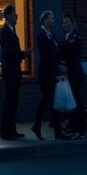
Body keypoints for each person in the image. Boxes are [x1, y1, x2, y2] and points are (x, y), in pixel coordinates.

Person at [31, 10, 68, 140]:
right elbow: (46, 56)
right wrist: (58, 65)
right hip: (46, 75)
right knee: (48, 101)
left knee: (51, 102)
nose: (54, 20)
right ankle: (42, 127)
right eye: (52, 18)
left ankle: (53, 130)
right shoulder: (41, 36)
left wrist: (61, 62)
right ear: (45, 20)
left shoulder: (51, 35)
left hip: (52, 74)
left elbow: (55, 52)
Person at [0, 5, 30, 140]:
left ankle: (12, 129)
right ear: (9, 16)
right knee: (10, 101)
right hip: (11, 72)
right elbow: (9, 52)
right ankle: (5, 130)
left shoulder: (11, 30)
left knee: (13, 101)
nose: (17, 16)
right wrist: (23, 54)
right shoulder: (5, 32)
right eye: (15, 14)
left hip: (14, 71)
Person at [59, 11, 85, 139]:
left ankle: (80, 129)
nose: (65, 24)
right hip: (66, 74)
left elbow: (75, 55)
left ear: (72, 23)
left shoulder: (76, 36)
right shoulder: (63, 38)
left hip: (74, 73)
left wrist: (66, 65)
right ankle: (72, 126)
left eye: (67, 22)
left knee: (76, 101)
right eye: (63, 22)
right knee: (70, 101)